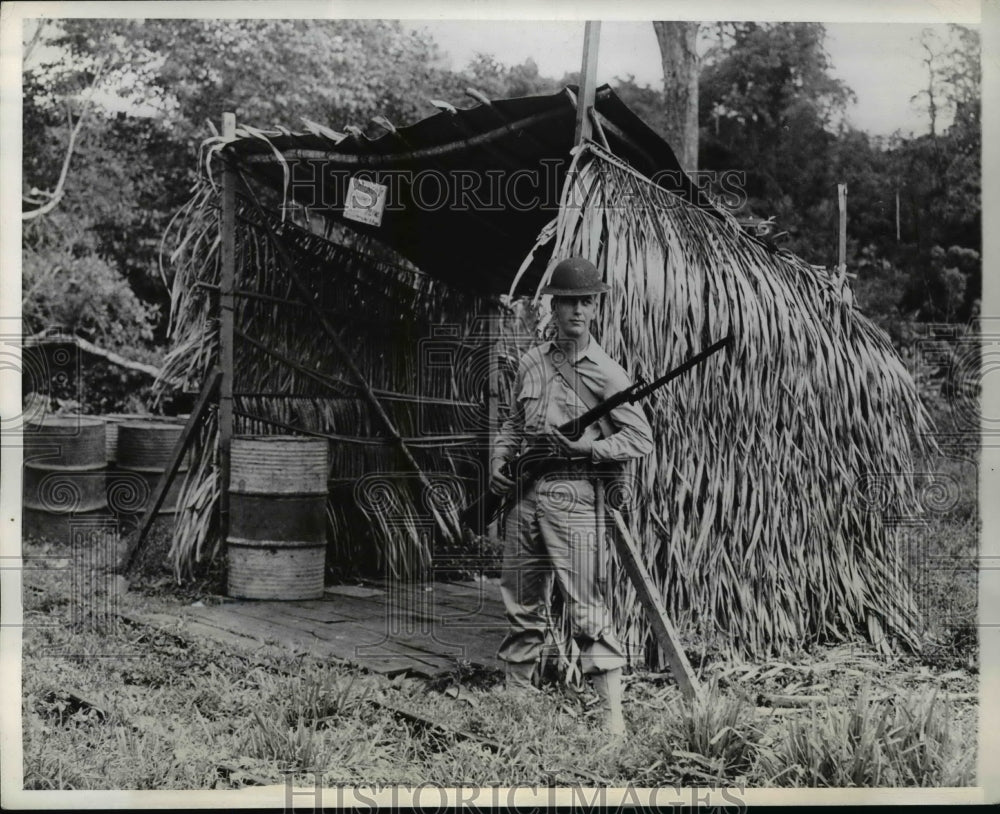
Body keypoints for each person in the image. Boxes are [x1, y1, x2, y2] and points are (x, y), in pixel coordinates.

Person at [490, 256, 654, 736]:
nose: (577, 311)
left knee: (586, 608)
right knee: (521, 607)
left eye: (586, 302)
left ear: (595, 309)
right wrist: (500, 462)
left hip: (575, 496)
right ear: (554, 307)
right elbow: (513, 425)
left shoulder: (607, 373)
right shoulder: (531, 362)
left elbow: (641, 438)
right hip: (524, 495)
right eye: (568, 302)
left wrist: (592, 447)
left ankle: (612, 727)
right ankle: (516, 715)